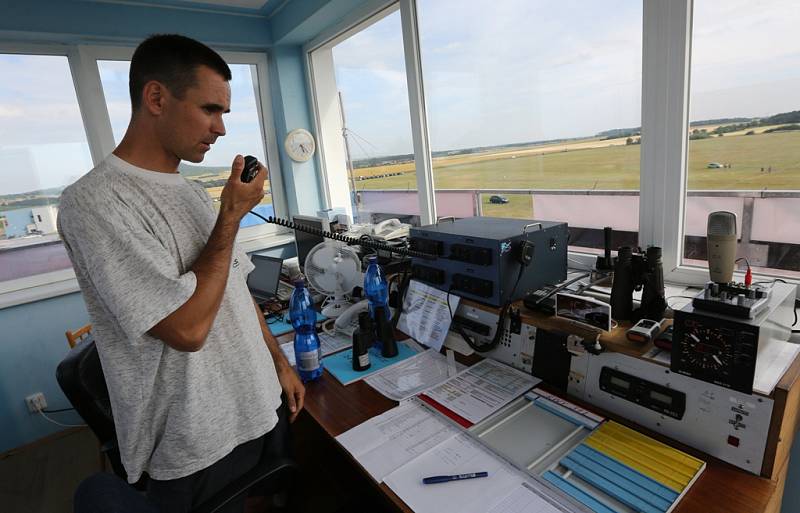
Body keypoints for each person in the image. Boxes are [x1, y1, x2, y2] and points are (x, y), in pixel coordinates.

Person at [58, 34, 304, 512]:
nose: (220, 129)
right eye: (210, 109)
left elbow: (232, 290)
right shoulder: (94, 202)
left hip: (257, 405)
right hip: (195, 442)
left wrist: (279, 364)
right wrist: (230, 217)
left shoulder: (191, 193)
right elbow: (187, 330)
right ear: (156, 98)